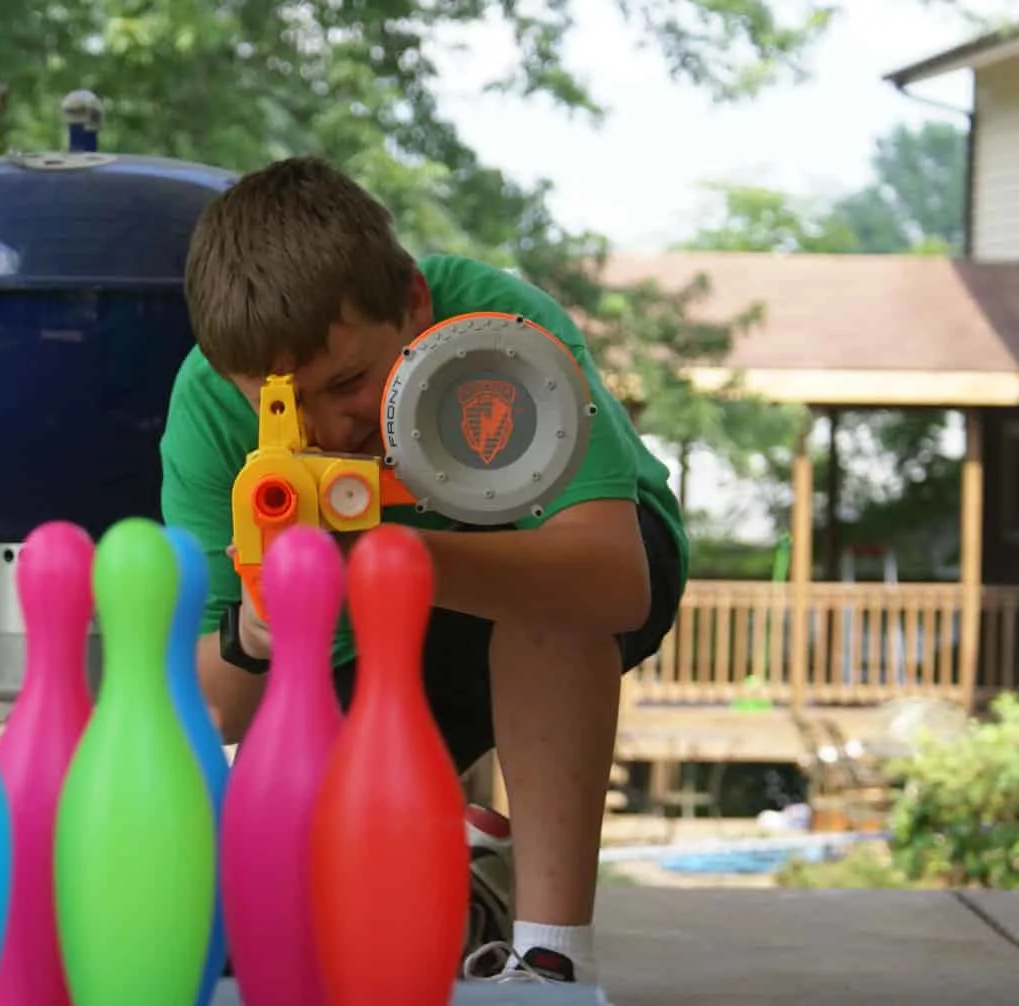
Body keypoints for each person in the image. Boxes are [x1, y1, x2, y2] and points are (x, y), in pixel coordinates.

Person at [159, 156, 687, 1001]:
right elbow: (205, 701)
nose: (334, 424)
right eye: (281, 407)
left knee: (541, 608)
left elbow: (612, 580)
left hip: (546, 589)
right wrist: (257, 632)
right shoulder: (207, 407)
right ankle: (456, 876)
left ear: (413, 303)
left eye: (351, 382)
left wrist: (387, 560)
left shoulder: (499, 328)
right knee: (275, 919)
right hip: (360, 645)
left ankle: (549, 958)